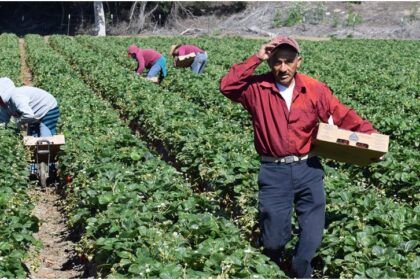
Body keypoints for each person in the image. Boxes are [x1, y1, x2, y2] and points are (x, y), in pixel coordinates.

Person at [219, 36, 379, 278]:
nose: (283, 68)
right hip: (274, 172)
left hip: (308, 169)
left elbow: (342, 114)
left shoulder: (314, 89)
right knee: (273, 241)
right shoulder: (256, 89)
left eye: (289, 61)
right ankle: (271, 268)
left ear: (298, 62)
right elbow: (227, 86)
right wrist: (255, 58)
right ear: (269, 62)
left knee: (311, 238)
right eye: (277, 62)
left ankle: (300, 272)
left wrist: (372, 139)